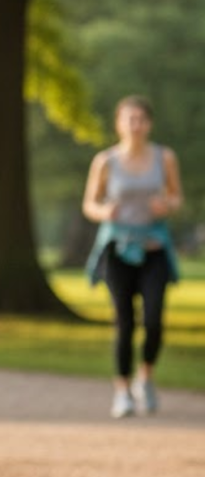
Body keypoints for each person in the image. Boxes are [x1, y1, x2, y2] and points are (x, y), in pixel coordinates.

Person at [83, 95, 183, 418]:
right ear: (119, 124)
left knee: (153, 321)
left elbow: (176, 196)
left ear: (149, 123)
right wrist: (104, 211)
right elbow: (90, 204)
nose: (135, 125)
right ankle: (122, 392)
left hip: (154, 249)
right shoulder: (105, 161)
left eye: (141, 119)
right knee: (124, 323)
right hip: (117, 250)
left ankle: (146, 377)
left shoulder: (164, 158)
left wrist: (166, 206)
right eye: (129, 119)